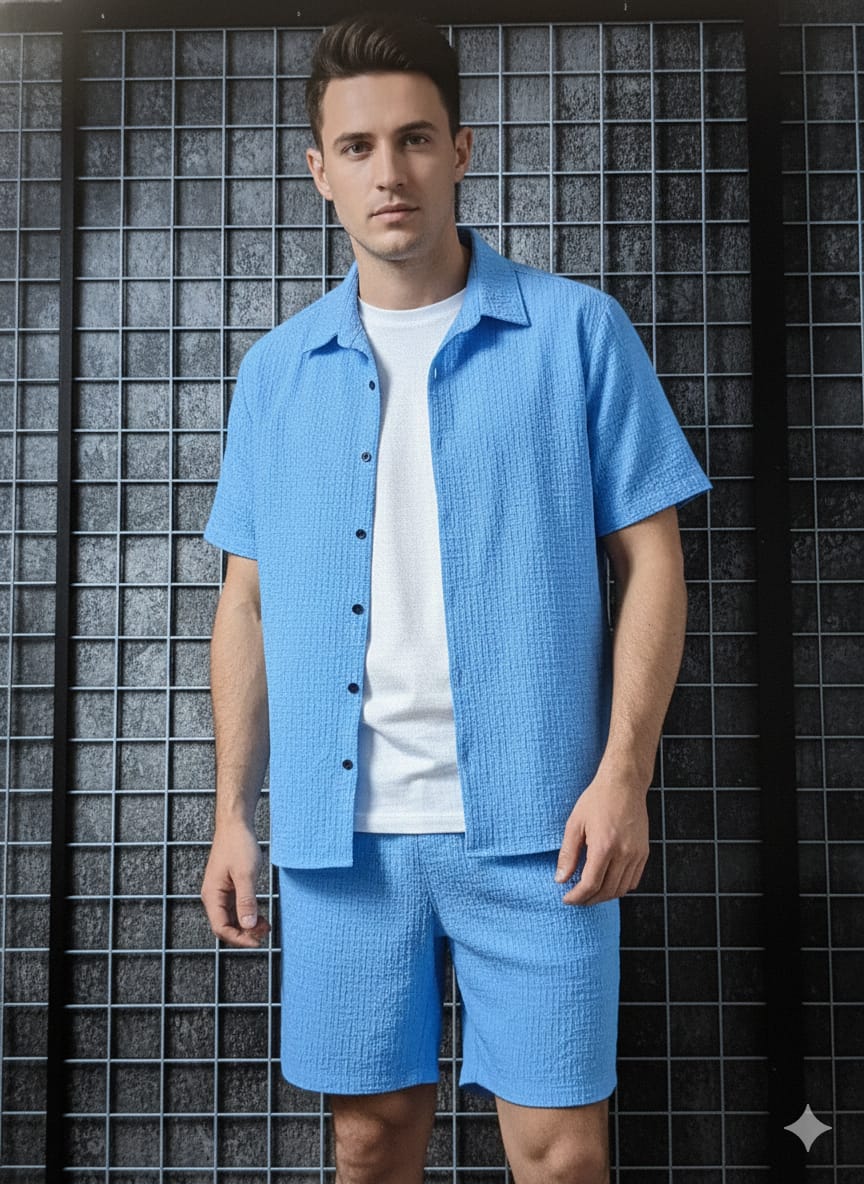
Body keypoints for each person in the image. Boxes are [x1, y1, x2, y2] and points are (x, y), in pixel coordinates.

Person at [200, 11, 711, 1184]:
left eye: (416, 138)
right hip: (342, 840)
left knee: (563, 1153)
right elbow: (246, 603)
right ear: (320, 169)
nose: (391, 171)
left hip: (544, 826)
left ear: (462, 150)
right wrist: (233, 809)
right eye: (360, 146)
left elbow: (655, 565)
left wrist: (624, 776)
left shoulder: (577, 333)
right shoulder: (274, 373)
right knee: (368, 1139)